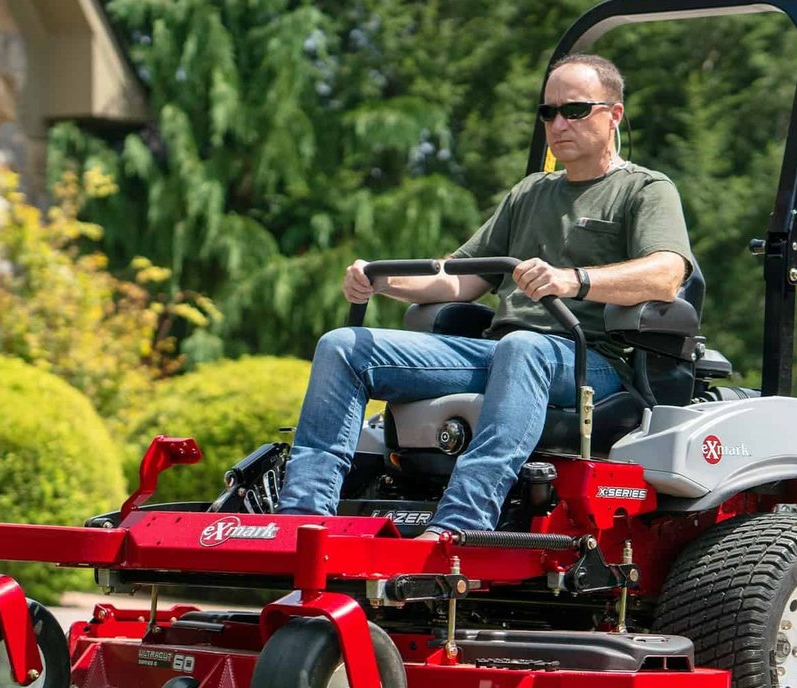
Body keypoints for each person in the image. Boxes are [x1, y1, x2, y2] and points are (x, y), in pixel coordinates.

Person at [276, 54, 693, 538]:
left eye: (575, 110)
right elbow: (458, 279)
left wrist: (571, 279)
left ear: (614, 114)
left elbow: (667, 273)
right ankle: (301, 519)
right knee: (343, 345)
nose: (559, 123)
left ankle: (460, 525)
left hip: (592, 362)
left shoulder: (644, 189)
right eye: (549, 112)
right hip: (502, 353)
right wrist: (381, 280)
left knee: (523, 348)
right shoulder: (530, 193)